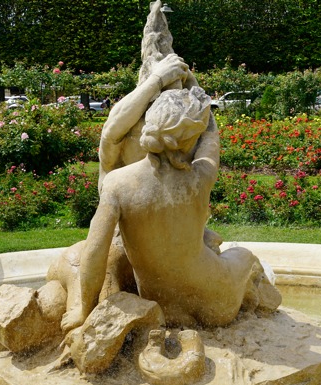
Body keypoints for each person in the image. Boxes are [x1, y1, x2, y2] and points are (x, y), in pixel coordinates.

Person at [61, 87, 281, 333]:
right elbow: (211, 139)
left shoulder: (117, 185)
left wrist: (84, 310)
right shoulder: (200, 176)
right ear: (191, 138)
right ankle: (261, 298)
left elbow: (94, 253)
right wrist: (201, 103)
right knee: (242, 254)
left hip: (161, 305)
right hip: (217, 304)